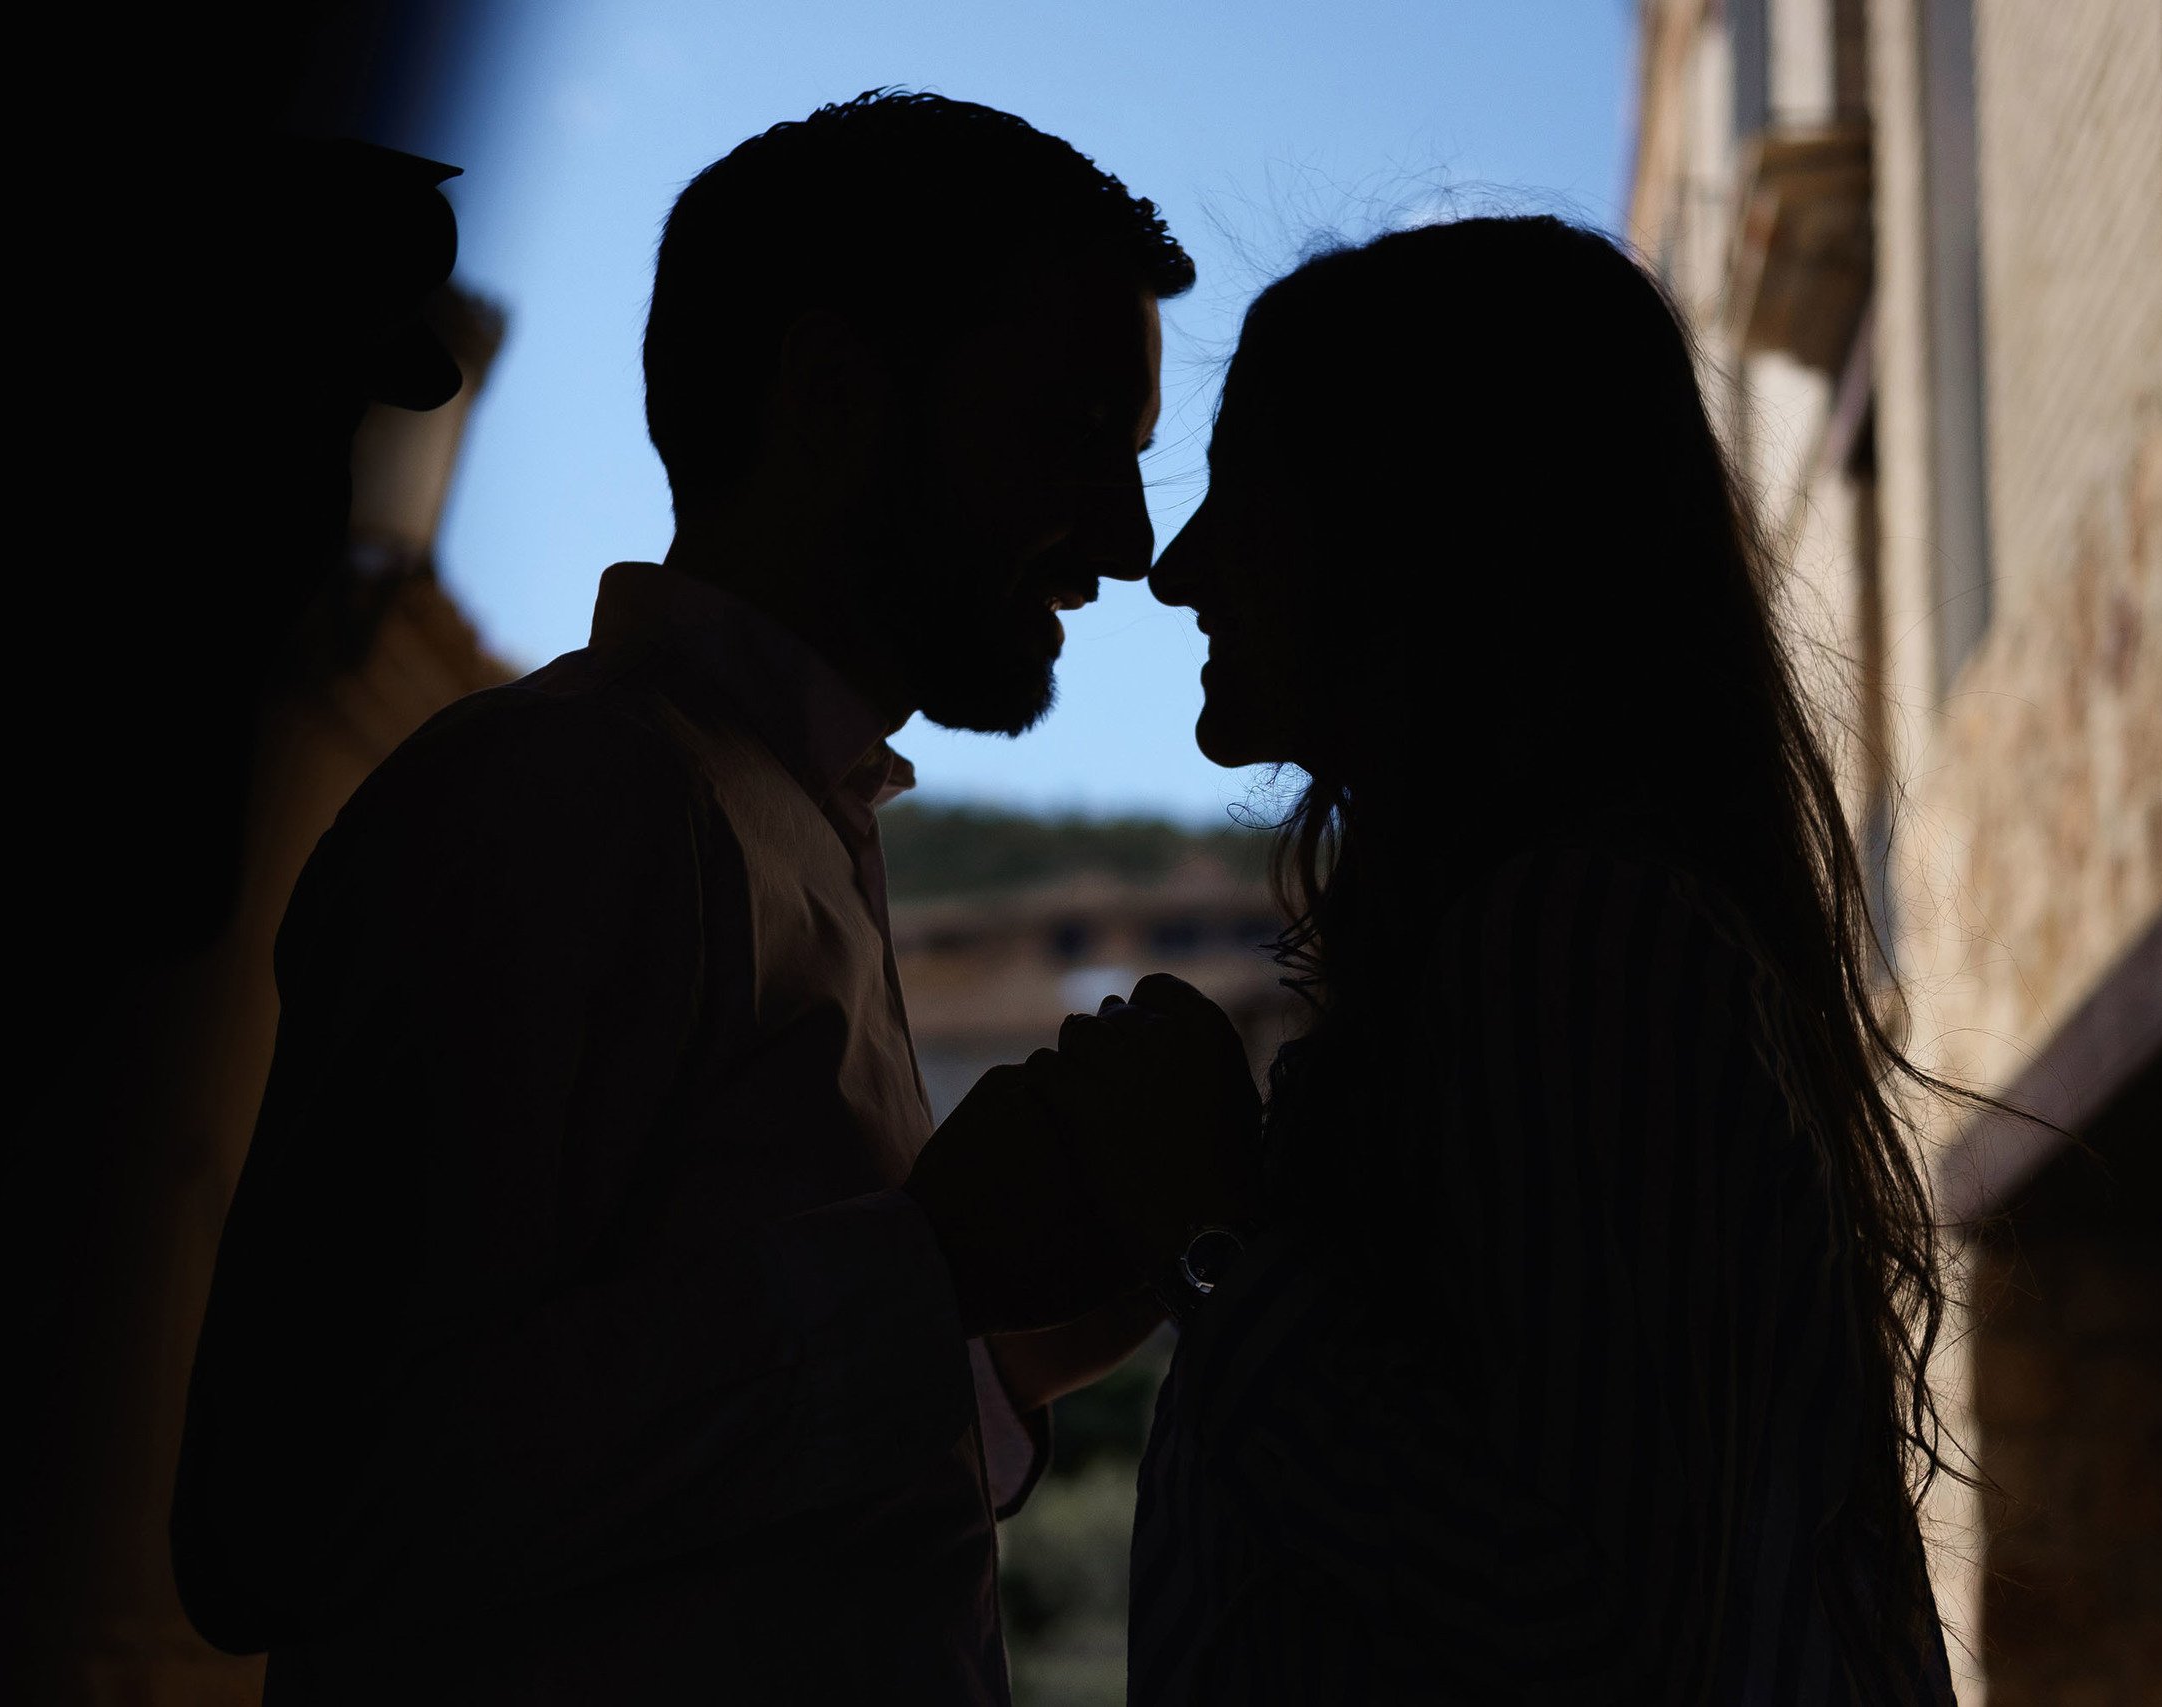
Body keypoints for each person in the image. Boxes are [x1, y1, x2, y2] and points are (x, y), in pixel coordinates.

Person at [172, 92, 1195, 1704]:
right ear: (836, 392)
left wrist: (1002, 1343)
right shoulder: (563, 799)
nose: (1131, 543)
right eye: (1077, 434)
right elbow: (284, 1513)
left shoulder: (783, 826)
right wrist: (923, 1276)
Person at [1056, 216, 1964, 1703]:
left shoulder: (1580, 948)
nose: (1181, 566)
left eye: (1246, 491)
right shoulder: (1547, 953)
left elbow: (1579, 1619)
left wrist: (1211, 1242)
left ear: (1415, 524)